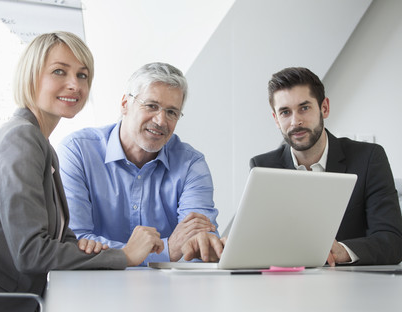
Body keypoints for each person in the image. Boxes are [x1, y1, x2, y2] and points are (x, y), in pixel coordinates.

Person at [0, 32, 163, 312]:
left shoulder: (40, 143)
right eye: (59, 71)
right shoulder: (20, 139)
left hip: (5, 304)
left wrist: (81, 246)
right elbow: (31, 252)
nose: (75, 84)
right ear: (31, 76)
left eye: (83, 75)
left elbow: (54, 236)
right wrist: (123, 255)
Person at [57, 62, 219, 265]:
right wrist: (166, 250)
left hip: (171, 291)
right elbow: (74, 242)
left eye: (171, 112)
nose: (161, 121)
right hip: (97, 287)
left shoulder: (191, 164)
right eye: (151, 106)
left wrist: (201, 247)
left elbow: (197, 245)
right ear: (125, 104)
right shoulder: (77, 152)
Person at [249, 66, 402, 266]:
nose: (296, 122)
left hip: (356, 286)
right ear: (276, 119)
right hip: (288, 288)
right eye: (285, 112)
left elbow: (392, 241)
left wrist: (344, 252)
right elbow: (259, 242)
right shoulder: (262, 167)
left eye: (304, 108)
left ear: (324, 108)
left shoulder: (369, 158)